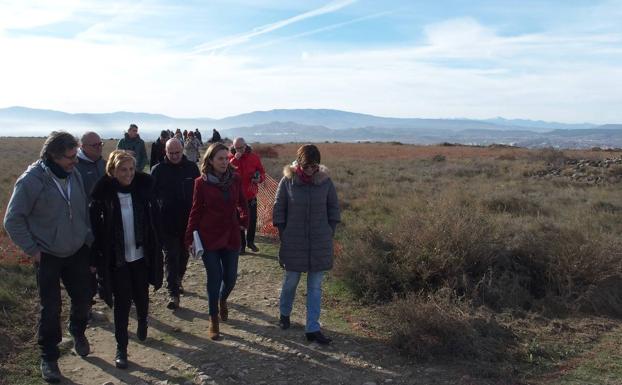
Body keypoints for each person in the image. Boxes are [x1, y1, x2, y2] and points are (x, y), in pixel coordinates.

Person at [4, 131, 93, 383]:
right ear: (53, 156)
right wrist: (33, 249)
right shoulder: (30, 181)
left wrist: (86, 237)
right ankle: (49, 358)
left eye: (75, 156)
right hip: (48, 255)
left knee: (85, 298)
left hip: (76, 249)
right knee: (51, 308)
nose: (75, 161)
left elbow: (81, 207)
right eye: (70, 157)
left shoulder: (72, 173)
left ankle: (77, 331)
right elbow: (12, 219)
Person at [89, 150, 163, 369]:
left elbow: (155, 224)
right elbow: (95, 232)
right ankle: (121, 348)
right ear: (112, 171)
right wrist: (95, 259)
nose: (128, 174)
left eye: (131, 169)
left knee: (141, 296)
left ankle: (143, 320)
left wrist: (159, 246)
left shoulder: (143, 192)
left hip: (141, 256)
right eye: (123, 169)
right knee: (121, 305)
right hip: (117, 260)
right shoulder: (102, 198)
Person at [272, 144, 340, 345]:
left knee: (315, 287)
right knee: (291, 281)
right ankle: (285, 313)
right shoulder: (287, 181)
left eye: (314, 166)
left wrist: (329, 231)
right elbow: (279, 210)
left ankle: (312, 328)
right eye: (307, 166)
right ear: (299, 164)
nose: (311, 170)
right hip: (293, 242)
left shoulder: (326, 182)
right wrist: (284, 234)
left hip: (320, 242)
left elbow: (333, 209)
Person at [185, 143, 248, 340]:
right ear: (210, 161)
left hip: (231, 236)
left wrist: (244, 219)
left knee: (230, 278)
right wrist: (189, 236)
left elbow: (242, 203)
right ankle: (213, 319)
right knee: (215, 277)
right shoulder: (200, 183)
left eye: (226, 158)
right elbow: (195, 211)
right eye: (219, 158)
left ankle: (222, 299)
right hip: (209, 237)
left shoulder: (235, 179)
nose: (224, 162)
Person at [151, 139, 200, 310]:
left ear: (182, 150)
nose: (174, 156)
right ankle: (173, 293)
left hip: (187, 222)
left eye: (177, 152)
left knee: (183, 255)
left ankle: (178, 279)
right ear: (165, 152)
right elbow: (151, 196)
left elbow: (198, 194)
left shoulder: (192, 168)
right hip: (166, 223)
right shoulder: (157, 170)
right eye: (170, 153)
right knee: (171, 256)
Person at [75, 131, 106, 312]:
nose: (99, 147)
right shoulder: (75, 166)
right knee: (86, 267)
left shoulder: (103, 164)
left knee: (102, 261)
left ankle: (104, 293)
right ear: (82, 147)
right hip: (83, 226)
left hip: (104, 223)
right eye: (94, 145)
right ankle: (85, 307)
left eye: (100, 143)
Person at [228, 137, 265, 254]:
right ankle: (241, 245)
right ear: (234, 147)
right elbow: (226, 171)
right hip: (236, 196)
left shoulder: (254, 157)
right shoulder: (230, 158)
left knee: (252, 220)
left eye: (242, 147)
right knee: (239, 221)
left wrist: (259, 178)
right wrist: (234, 159)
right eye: (237, 148)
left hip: (250, 194)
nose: (240, 150)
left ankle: (250, 242)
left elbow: (262, 172)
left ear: (246, 145)